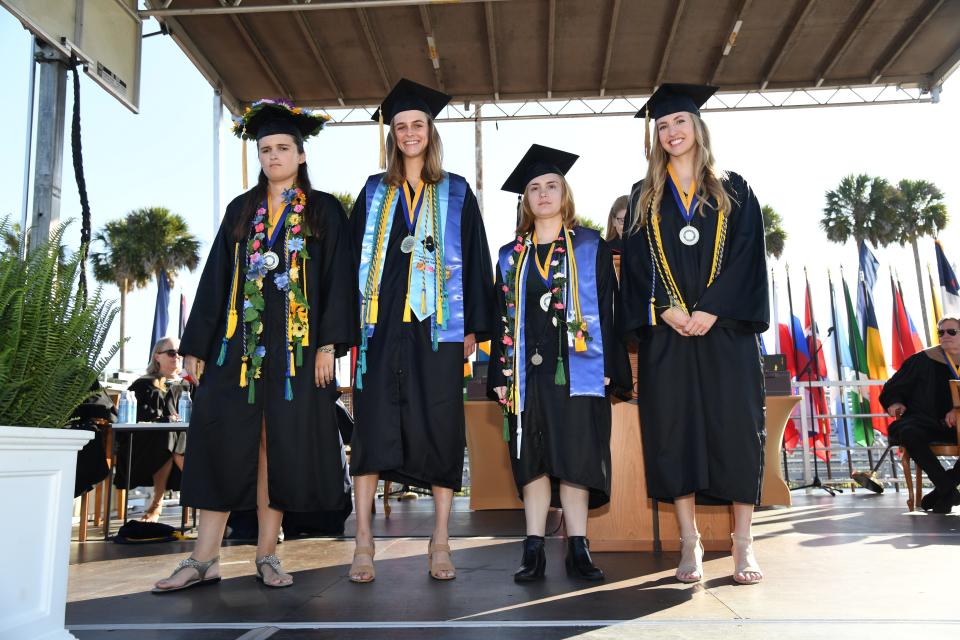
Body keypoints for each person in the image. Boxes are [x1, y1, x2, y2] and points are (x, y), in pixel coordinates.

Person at [152, 100, 357, 592]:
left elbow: (337, 279)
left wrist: (330, 344)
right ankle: (204, 560)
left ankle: (268, 554)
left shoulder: (325, 210)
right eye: (265, 149)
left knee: (277, 448)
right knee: (221, 441)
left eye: (283, 148)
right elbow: (217, 278)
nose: (273, 157)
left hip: (296, 354)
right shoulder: (242, 209)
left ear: (301, 155)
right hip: (237, 349)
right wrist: (197, 344)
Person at [619, 84, 769, 585]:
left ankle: (743, 543)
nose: (671, 132)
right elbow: (636, 264)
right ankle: (691, 542)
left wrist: (711, 309)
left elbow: (748, 257)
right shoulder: (645, 195)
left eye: (679, 121)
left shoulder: (737, 189)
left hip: (724, 332)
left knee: (737, 431)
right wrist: (663, 309)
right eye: (662, 125)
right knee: (673, 431)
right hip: (669, 335)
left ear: (698, 128)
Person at [349, 78, 495, 583]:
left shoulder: (455, 191)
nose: (409, 133)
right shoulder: (373, 191)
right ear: (392, 136)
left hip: (439, 329)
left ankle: (439, 539)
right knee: (370, 424)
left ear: (431, 132)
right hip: (381, 327)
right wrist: (347, 325)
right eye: (401, 127)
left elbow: (475, 256)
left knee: (440, 427)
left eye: (417, 125)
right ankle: (363, 541)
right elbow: (351, 262)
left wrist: (475, 325)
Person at [489, 144, 631, 583]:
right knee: (531, 459)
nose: (544, 194)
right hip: (527, 374)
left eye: (552, 185)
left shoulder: (592, 245)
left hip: (579, 370)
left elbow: (610, 309)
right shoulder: (510, 256)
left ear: (564, 193)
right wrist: (499, 374)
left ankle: (578, 548)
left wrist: (611, 365)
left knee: (575, 457)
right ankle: (532, 549)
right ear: (525, 200)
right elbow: (500, 319)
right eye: (534, 188)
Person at [881, 316, 960, 513]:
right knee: (909, 432)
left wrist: (958, 410)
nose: (945, 336)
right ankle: (947, 489)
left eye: (951, 332)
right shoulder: (923, 359)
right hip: (927, 421)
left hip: (959, 426)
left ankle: (942, 492)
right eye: (941, 332)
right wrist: (895, 401)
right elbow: (894, 386)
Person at [114, 337, 187, 522]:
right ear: (157, 357)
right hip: (145, 446)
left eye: (180, 353)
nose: (176, 356)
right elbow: (138, 419)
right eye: (171, 352)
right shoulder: (143, 385)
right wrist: (165, 420)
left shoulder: (188, 385)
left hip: (187, 443)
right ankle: (158, 503)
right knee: (168, 436)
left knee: (177, 439)